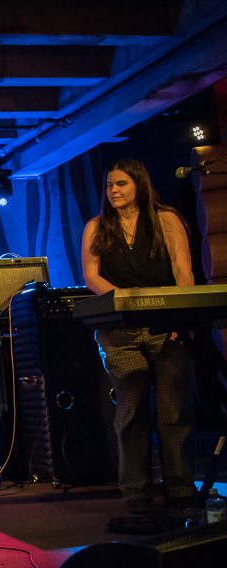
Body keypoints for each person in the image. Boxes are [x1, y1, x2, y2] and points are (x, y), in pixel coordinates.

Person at [81, 158, 196, 514]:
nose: (113, 191)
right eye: (109, 185)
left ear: (139, 185)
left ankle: (181, 489)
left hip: (166, 327)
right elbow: (91, 276)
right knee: (131, 413)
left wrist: (181, 316)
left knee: (174, 412)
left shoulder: (166, 219)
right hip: (119, 331)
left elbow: (183, 271)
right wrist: (128, 302)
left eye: (121, 184)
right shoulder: (97, 226)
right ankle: (136, 494)